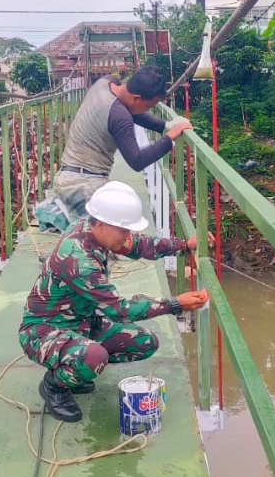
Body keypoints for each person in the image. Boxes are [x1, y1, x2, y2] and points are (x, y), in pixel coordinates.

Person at [19, 181, 212, 422]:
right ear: (101, 224)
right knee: (94, 357)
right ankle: (54, 385)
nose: (128, 237)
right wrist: (174, 304)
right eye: (124, 231)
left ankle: (76, 368)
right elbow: (118, 310)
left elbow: (138, 245)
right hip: (43, 331)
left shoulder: (93, 230)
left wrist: (182, 246)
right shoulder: (79, 259)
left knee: (144, 342)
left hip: (83, 322)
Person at [52, 65, 192, 218]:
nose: (146, 110)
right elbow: (137, 160)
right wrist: (171, 137)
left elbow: (130, 109)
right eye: (148, 106)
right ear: (137, 98)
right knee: (106, 236)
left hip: (67, 177)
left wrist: (164, 125)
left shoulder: (105, 82)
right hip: (84, 187)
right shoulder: (119, 116)